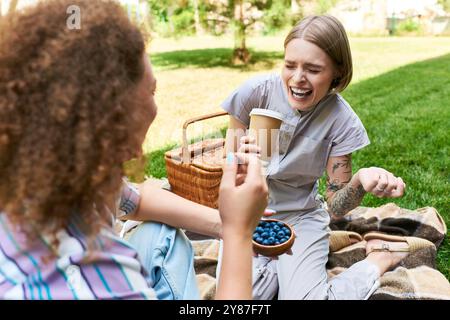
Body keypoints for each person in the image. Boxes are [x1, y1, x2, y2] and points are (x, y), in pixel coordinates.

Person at [0, 0, 268, 300]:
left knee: (160, 234)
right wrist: (238, 234)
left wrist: (223, 222)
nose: (156, 105)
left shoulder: (45, 176)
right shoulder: (90, 281)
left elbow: (134, 200)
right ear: (109, 114)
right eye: (151, 91)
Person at [221, 15, 429, 300]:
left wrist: (360, 180)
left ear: (337, 72)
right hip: (248, 213)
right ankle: (298, 258)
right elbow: (225, 167)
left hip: (300, 215)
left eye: (313, 69)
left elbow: (337, 205)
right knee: (240, 299)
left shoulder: (341, 122)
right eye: (290, 65)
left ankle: (377, 260)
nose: (297, 79)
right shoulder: (254, 94)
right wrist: (236, 162)